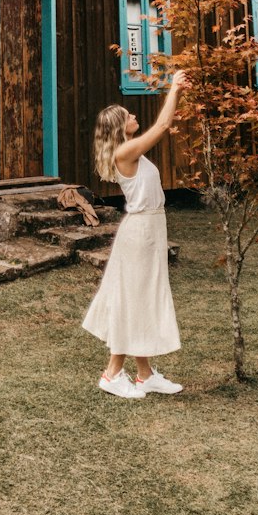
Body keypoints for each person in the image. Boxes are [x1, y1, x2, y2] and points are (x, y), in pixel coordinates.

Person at [82, 72, 188, 399]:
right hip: (141, 231)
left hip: (150, 228)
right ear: (119, 127)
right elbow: (162, 127)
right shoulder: (124, 154)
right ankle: (112, 374)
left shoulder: (131, 151)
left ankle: (144, 375)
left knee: (141, 299)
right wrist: (174, 88)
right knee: (135, 300)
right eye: (128, 116)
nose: (134, 116)